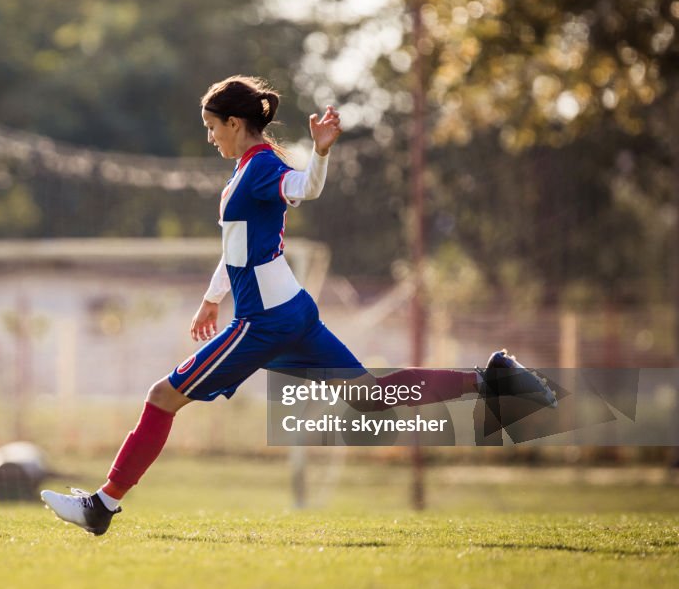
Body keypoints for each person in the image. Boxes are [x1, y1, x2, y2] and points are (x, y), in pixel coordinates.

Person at [41, 75, 554, 535]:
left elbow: (304, 187)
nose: (209, 136)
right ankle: (491, 379)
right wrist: (210, 300)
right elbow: (238, 250)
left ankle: (101, 506)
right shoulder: (245, 168)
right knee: (370, 397)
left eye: (212, 126)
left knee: (161, 397)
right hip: (291, 312)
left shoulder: (263, 167)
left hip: (264, 322)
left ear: (235, 122)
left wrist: (322, 152)